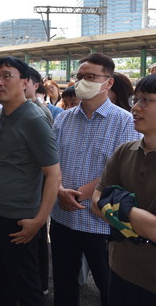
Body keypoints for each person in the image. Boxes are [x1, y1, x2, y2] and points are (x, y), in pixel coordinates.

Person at [50, 53, 141, 306]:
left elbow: (120, 170)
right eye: (79, 77)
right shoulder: (64, 118)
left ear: (108, 82)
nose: (82, 82)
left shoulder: (124, 121)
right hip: (63, 217)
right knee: (63, 284)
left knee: (108, 287)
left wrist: (78, 194)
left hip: (99, 223)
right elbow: (52, 162)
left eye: (90, 77)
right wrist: (58, 190)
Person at [0, 56, 61, 306]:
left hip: (18, 220)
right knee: (1, 281)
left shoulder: (34, 119)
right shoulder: (0, 115)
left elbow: (53, 174)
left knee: (25, 289)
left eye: (6, 75)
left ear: (25, 82)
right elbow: (1, 161)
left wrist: (38, 222)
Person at [91, 73, 156, 305]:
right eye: (135, 100)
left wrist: (121, 208)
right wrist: (139, 220)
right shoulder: (123, 152)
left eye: (146, 100)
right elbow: (96, 203)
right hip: (120, 270)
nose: (136, 108)